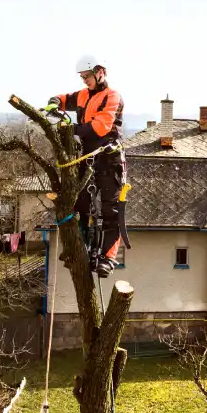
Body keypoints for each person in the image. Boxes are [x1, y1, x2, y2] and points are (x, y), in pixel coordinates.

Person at [46, 55, 125, 276]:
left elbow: (100, 127)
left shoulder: (112, 97)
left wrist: (70, 129)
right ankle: (80, 249)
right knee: (79, 204)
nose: (85, 81)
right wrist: (54, 102)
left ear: (100, 72)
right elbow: (64, 98)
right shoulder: (82, 95)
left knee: (110, 211)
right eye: (82, 77)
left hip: (109, 158)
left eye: (87, 76)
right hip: (88, 157)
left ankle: (108, 258)